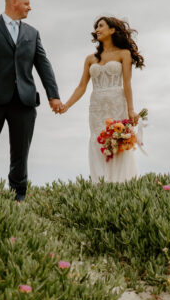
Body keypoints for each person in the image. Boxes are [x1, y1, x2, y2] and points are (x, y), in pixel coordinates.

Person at [0, 0, 63, 201]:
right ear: (14, 3)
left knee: (20, 152)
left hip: (24, 100)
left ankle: (18, 195)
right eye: (27, 3)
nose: (30, 7)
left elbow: (43, 64)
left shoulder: (32, 33)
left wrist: (53, 95)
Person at [60, 16, 144, 183]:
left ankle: (122, 183)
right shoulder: (90, 59)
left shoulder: (124, 54)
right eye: (96, 27)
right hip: (97, 106)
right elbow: (81, 86)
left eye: (101, 26)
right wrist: (66, 105)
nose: (97, 29)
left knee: (117, 141)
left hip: (117, 103)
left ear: (112, 30)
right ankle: (100, 184)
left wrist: (131, 110)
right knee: (97, 141)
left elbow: (127, 84)